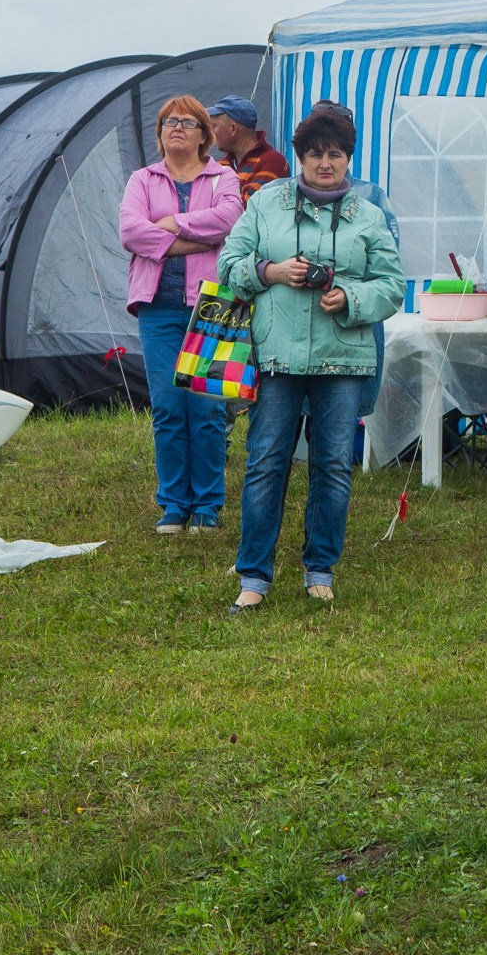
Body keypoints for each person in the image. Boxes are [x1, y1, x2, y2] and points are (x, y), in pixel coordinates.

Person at [217, 106, 404, 610]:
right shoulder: (266, 203)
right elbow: (229, 263)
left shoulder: (369, 214)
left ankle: (320, 568)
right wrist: (272, 272)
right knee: (265, 462)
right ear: (299, 156)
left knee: (334, 466)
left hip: (342, 359)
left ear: (349, 159)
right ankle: (253, 577)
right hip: (276, 356)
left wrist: (351, 298)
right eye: (316, 154)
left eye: (336, 154)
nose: (326, 163)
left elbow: (393, 286)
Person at [119, 97, 244, 534]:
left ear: (205, 135)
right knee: (169, 408)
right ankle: (174, 505)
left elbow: (229, 219)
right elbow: (130, 231)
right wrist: (193, 237)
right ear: (160, 133)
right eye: (169, 122)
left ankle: (208, 506)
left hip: (213, 303)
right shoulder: (142, 179)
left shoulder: (223, 177)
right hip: (157, 307)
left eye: (188, 122)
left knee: (207, 409)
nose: (177, 128)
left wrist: (170, 223)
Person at [311, 100, 402, 421]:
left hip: (348, 331)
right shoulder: (279, 196)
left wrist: (349, 295)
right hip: (292, 337)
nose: (325, 154)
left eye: (336, 144)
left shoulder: (371, 198)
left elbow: (388, 272)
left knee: (334, 432)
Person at [207, 95, 290, 204]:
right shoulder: (222, 164)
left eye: (214, 126)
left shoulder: (272, 162)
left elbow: (249, 210)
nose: (211, 132)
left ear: (233, 129)